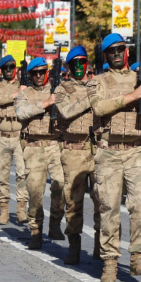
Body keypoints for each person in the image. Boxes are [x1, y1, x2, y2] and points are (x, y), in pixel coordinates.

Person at [91, 33, 141, 282]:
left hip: (138, 150)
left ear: (126, 52)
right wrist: (133, 96)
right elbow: (99, 108)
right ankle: (110, 260)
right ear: (105, 56)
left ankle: (137, 256)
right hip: (109, 151)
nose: (117, 54)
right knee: (108, 208)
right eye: (112, 51)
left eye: (120, 50)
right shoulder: (99, 81)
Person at [52, 46, 101, 264]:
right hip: (73, 151)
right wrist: (91, 99)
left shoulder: (98, 85)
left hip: (98, 149)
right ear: (69, 67)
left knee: (103, 200)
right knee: (73, 201)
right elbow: (67, 111)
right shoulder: (62, 89)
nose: (80, 67)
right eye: (75, 64)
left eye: (83, 63)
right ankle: (74, 244)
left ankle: (102, 244)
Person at [14, 57, 64, 250]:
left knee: (61, 186)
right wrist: (45, 104)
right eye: (34, 73)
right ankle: (35, 230)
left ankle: (55, 223)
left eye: (42, 72)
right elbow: (21, 113)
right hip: (33, 147)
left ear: (47, 72)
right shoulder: (23, 94)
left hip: (55, 145)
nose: (38, 76)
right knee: (35, 192)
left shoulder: (59, 90)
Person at [0, 55, 30, 225]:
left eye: (11, 68)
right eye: (5, 68)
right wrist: (17, 93)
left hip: (20, 136)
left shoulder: (24, 86)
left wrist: (24, 90)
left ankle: (21, 210)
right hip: (1, 137)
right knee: (2, 175)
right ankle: (4, 210)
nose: (9, 71)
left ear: (16, 69)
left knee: (22, 174)